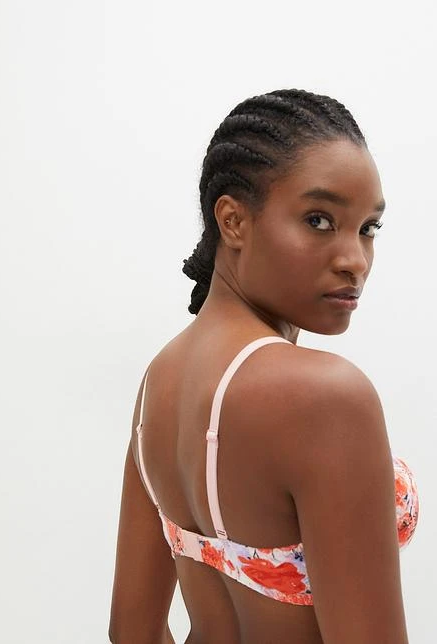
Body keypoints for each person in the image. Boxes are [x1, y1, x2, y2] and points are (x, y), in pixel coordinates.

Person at [108, 89, 419, 644]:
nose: (354, 260)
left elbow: (131, 631)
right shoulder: (326, 397)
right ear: (232, 221)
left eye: (368, 228)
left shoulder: (159, 382)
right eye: (319, 220)